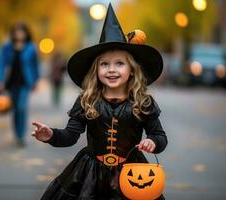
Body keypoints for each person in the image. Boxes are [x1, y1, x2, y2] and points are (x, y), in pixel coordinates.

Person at [32, 4, 167, 200]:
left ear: (132, 70)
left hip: (130, 173)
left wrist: (152, 142)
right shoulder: (87, 100)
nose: (111, 69)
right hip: (90, 175)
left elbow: (159, 135)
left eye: (119, 63)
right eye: (104, 64)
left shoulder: (142, 102)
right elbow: (70, 135)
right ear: (96, 70)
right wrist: (52, 135)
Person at [0, 22, 40, 147]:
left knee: (21, 107)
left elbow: (35, 65)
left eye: (21, 31)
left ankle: (21, 136)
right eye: (17, 31)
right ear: (13, 33)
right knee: (15, 109)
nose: (19, 34)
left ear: (26, 33)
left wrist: (36, 80)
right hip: (11, 82)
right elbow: (1, 64)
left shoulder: (31, 47)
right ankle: (16, 134)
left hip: (25, 82)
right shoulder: (7, 47)